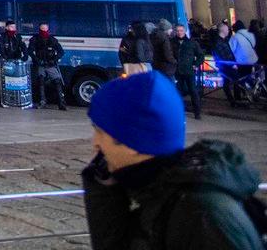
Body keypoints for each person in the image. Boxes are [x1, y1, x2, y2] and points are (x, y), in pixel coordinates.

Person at [83, 70, 264, 248]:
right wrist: (103, 186)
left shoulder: (199, 216)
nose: (95, 143)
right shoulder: (164, 196)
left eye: (100, 132)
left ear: (133, 143)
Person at [27, 22, 67, 111]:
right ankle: (42, 101)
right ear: (39, 29)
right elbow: (30, 51)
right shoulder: (35, 39)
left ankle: (61, 103)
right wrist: (36, 60)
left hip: (50, 64)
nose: (44, 31)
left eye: (45, 29)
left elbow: (61, 51)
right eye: (42, 29)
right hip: (40, 63)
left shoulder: (52, 39)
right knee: (41, 80)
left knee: (57, 81)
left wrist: (54, 59)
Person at [172, 23, 204, 120]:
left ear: (185, 31)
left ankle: (197, 112)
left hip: (189, 70)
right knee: (178, 92)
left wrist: (196, 64)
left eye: (181, 31)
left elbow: (200, 55)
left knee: (193, 91)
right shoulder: (172, 42)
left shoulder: (192, 42)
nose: (179, 33)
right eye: (177, 31)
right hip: (177, 71)